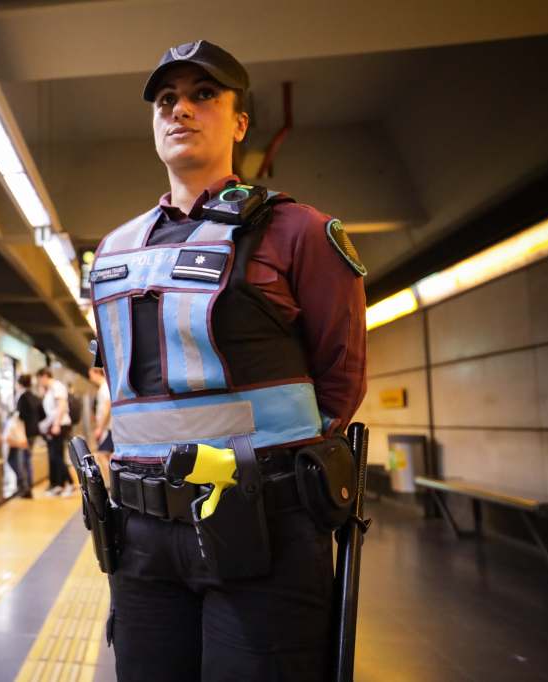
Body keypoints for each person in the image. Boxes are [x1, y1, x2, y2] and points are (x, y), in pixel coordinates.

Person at [89, 40, 367, 681]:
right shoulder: (114, 250)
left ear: (240, 122)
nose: (180, 109)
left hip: (265, 525)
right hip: (141, 534)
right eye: (166, 100)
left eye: (203, 95)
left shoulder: (298, 231)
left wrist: (272, 468)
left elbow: (340, 375)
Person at [36, 367, 75, 497]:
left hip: (60, 424)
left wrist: (56, 424)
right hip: (54, 425)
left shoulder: (57, 387)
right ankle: (59, 484)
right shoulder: (50, 390)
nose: (39, 382)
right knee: (55, 456)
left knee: (56, 456)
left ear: (44, 376)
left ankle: (70, 483)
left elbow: (62, 406)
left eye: (39, 379)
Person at [10, 373, 44, 498]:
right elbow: (42, 415)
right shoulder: (34, 397)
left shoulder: (22, 398)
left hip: (24, 434)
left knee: (20, 460)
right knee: (27, 460)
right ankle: (28, 487)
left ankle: (25, 489)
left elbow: (20, 417)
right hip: (33, 433)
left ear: (19, 384)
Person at [88, 367, 113, 483]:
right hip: (107, 428)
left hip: (108, 428)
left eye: (91, 374)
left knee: (103, 455)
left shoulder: (105, 388)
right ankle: (112, 486)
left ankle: (111, 485)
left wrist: (100, 428)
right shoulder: (103, 388)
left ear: (97, 372)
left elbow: (108, 408)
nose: (90, 377)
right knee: (106, 456)